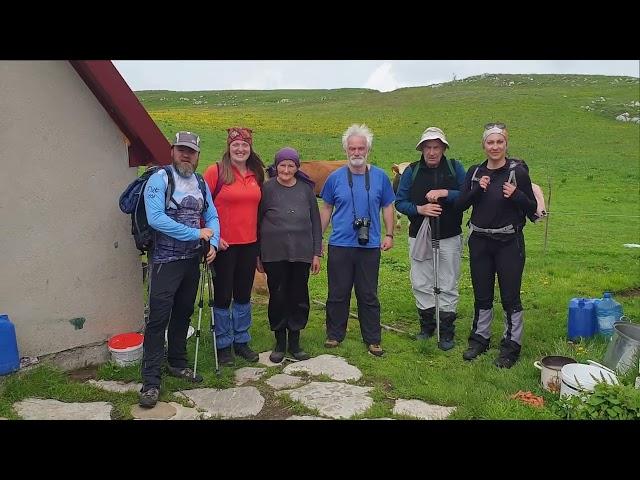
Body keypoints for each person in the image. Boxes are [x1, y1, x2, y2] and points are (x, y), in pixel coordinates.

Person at [139, 131, 220, 408]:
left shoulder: (199, 182)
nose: (186, 155)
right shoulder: (159, 179)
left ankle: (177, 362)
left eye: (191, 151)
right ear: (172, 151)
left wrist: (214, 243)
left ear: (198, 155)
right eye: (181, 150)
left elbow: (211, 215)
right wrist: (196, 234)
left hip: (191, 263)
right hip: (164, 262)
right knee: (157, 319)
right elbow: (156, 219)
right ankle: (150, 381)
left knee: (183, 313)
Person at [454, 123, 537, 368]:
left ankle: (511, 345)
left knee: (510, 296)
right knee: (482, 293)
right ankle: (480, 339)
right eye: (490, 142)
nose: (495, 146)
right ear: (484, 145)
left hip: (508, 241)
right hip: (480, 241)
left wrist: (516, 195)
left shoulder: (518, 172)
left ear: (506, 144)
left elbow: (532, 208)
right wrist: (477, 191)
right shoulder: (475, 171)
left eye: (499, 142)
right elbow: (460, 205)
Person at [319, 124, 396, 357]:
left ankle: (373, 339)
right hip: (340, 244)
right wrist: (318, 239)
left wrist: (390, 234)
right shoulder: (334, 178)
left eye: (361, 148)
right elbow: (326, 208)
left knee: (368, 293)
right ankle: (334, 334)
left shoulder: (381, 177)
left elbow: (388, 206)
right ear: (346, 150)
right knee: (338, 292)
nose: (356, 152)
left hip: (370, 245)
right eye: (352, 148)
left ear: (368, 150)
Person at [394, 127, 465, 350]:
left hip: (449, 235)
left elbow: (467, 195)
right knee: (421, 281)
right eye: (428, 148)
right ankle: (426, 327)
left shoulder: (455, 168)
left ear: (443, 148)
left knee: (448, 282)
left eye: (436, 147)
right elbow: (400, 202)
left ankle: (446, 332)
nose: (432, 152)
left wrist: (446, 193)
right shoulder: (412, 171)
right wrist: (420, 209)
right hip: (419, 236)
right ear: (422, 149)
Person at [203, 127, 264, 366]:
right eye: (236, 144)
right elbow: (201, 205)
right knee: (222, 294)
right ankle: (223, 343)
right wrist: (212, 238)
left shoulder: (256, 173)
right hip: (223, 246)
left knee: (242, 293)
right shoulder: (215, 171)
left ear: (250, 148)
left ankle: (241, 340)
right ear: (229, 147)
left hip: (249, 244)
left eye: (245, 145)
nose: (240, 149)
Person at [257, 147, 322, 363]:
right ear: (276, 167)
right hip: (274, 252)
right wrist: (258, 254)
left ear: (297, 167)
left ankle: (295, 341)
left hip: (302, 252)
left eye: (290, 165)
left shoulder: (306, 190)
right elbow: (256, 222)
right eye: (282, 165)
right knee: (278, 294)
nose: (286, 169)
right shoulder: (266, 189)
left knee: (298, 295)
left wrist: (316, 253)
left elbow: (316, 223)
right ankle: (279, 342)